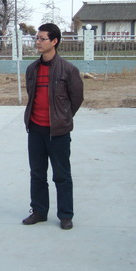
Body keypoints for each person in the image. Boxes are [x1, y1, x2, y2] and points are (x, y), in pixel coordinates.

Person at [22, 23, 84, 230]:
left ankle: (65, 215)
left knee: (62, 175)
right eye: (37, 38)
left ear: (54, 41)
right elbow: (32, 96)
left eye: (42, 39)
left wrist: (63, 118)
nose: (38, 42)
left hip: (58, 132)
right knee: (37, 174)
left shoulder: (68, 70)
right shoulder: (32, 69)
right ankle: (39, 211)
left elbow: (77, 99)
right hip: (35, 130)